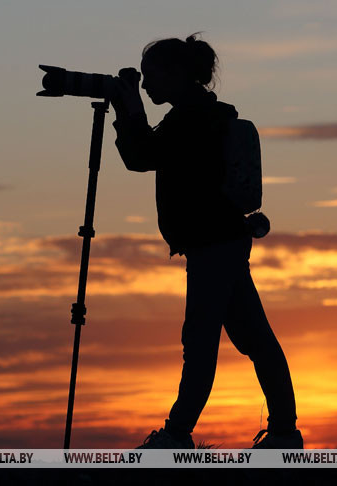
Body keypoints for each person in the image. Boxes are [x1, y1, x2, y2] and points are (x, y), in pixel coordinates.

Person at [110, 33, 303, 449]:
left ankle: (178, 434)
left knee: (200, 343)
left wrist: (129, 111)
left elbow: (140, 157)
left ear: (178, 74)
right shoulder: (202, 114)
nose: (146, 85)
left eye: (151, 76)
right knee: (255, 338)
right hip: (223, 241)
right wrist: (132, 110)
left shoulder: (190, 119)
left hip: (213, 245)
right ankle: (285, 431)